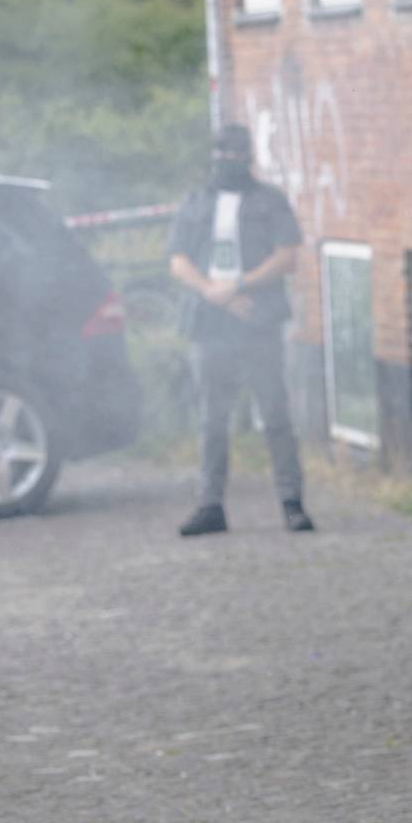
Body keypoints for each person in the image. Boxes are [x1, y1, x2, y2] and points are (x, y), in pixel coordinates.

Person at [167, 123, 312, 536]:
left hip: (259, 322)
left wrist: (242, 286)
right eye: (221, 153)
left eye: (235, 153)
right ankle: (210, 505)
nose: (227, 160)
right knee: (212, 420)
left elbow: (288, 256)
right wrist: (216, 293)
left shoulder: (270, 201)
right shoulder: (196, 201)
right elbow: (178, 260)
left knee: (275, 416)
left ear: (247, 156)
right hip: (209, 324)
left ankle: (292, 503)